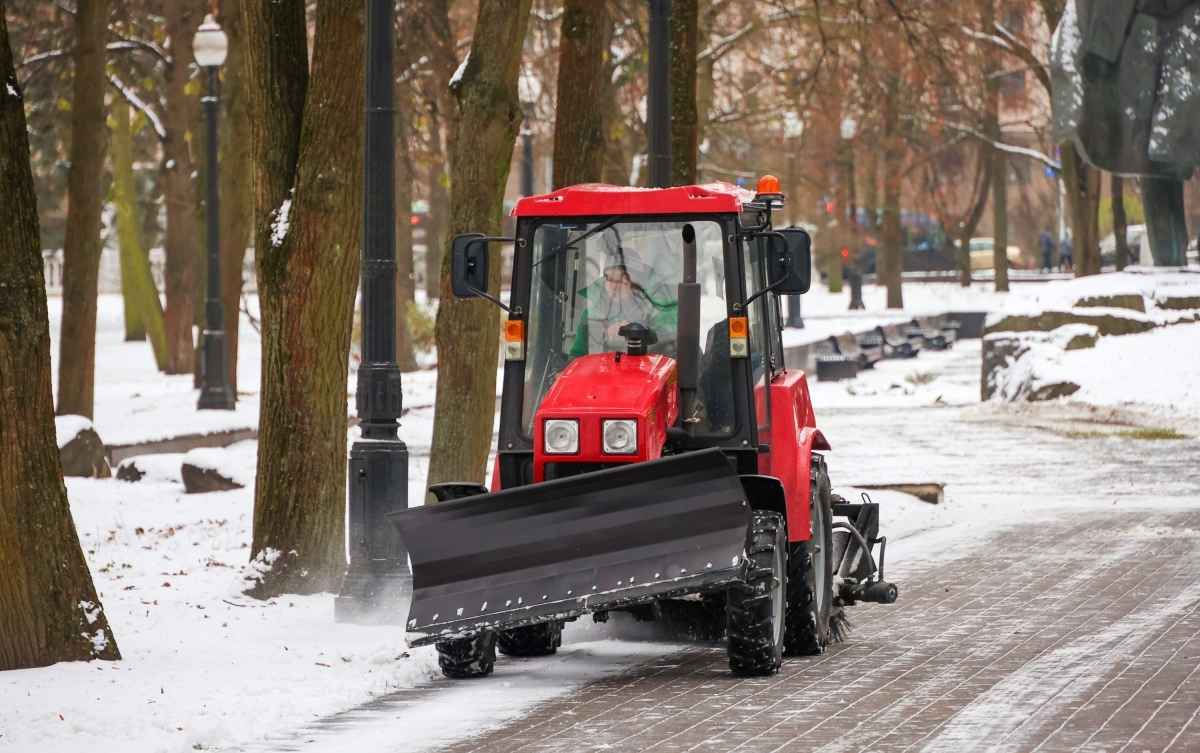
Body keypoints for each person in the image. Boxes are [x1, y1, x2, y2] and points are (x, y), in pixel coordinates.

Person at [569, 249, 676, 357]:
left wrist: (640, 333)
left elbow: (669, 343)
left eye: (622, 280)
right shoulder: (592, 314)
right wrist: (604, 336)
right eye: (609, 278)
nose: (613, 286)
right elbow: (576, 357)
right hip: (602, 367)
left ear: (636, 283)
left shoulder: (655, 309)